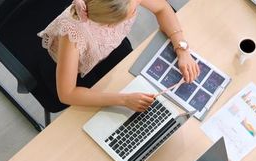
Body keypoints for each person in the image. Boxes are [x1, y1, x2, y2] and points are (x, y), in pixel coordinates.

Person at [36, 0, 200, 112]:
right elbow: (67, 94)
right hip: (74, 74)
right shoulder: (73, 35)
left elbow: (162, 8)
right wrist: (123, 100)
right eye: (133, 11)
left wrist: (182, 49)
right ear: (110, 24)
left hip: (109, 51)